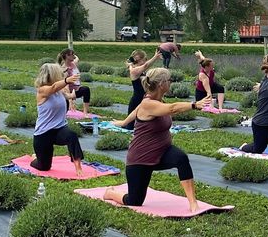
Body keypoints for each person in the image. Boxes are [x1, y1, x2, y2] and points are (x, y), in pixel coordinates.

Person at [104, 68, 209, 211]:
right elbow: (172, 109)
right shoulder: (149, 103)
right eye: (169, 80)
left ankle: (193, 203)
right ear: (161, 84)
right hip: (141, 158)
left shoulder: (155, 101)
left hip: (162, 152)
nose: (171, 83)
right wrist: (194, 105)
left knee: (181, 159)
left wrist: (124, 122)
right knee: (135, 201)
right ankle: (110, 193)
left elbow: (137, 110)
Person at [32, 63, 84, 176]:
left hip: (59, 129)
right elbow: (53, 87)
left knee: (72, 135)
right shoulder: (42, 90)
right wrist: (67, 80)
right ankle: (35, 158)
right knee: (44, 167)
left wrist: (78, 93)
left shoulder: (60, 90)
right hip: (43, 133)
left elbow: (69, 95)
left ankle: (78, 166)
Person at [57, 47, 90, 115]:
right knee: (66, 103)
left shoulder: (73, 63)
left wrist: (73, 54)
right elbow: (66, 85)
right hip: (69, 92)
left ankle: (85, 112)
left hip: (76, 89)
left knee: (86, 90)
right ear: (67, 56)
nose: (74, 56)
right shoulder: (64, 69)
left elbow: (77, 58)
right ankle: (64, 113)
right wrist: (70, 99)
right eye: (72, 55)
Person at [126, 50, 151, 115]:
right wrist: (155, 57)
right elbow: (146, 65)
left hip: (144, 98)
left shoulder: (133, 68)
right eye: (142, 60)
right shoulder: (135, 70)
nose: (144, 62)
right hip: (137, 100)